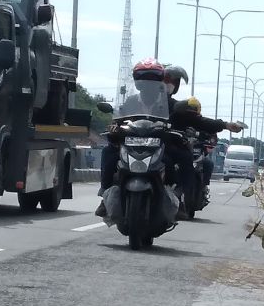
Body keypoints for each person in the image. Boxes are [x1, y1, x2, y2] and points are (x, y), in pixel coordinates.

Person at [97, 62, 241, 216]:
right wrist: (114, 127)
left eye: (152, 83)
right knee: (108, 152)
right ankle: (105, 196)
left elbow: (198, 121)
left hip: (161, 147)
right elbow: (118, 119)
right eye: (144, 83)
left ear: (160, 83)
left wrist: (225, 124)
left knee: (185, 157)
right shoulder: (131, 102)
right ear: (138, 84)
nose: (148, 86)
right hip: (131, 145)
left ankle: (181, 199)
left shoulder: (171, 104)